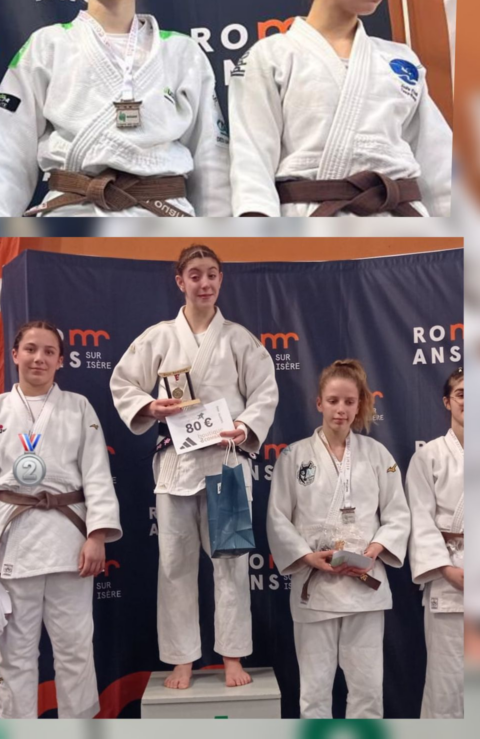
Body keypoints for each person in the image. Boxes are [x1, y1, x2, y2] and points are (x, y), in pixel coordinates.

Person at [0, 0, 229, 216]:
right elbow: (5, 147)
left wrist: (221, 229)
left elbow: (211, 154)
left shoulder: (182, 51)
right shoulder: (47, 45)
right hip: (73, 214)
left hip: (163, 215)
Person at [109, 244, 279, 689]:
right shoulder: (159, 337)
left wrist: (244, 426)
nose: (205, 283)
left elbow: (265, 393)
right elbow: (123, 382)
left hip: (227, 465)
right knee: (175, 565)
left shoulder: (239, 339)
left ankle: (232, 656)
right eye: (195, 275)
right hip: (176, 467)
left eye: (212, 274)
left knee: (232, 564)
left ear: (221, 279)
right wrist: (151, 406)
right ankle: (182, 658)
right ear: (180, 281)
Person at [228, 0, 451, 217]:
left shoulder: (401, 60)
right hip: (311, 219)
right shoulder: (271, 55)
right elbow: (251, 159)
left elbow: (437, 159)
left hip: (400, 219)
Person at [0, 321, 122, 718]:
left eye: (48, 351)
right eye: (30, 349)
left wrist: (97, 535)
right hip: (13, 542)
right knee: (14, 654)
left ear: (61, 360)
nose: (38, 358)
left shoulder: (78, 407)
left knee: (75, 649)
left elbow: (97, 474)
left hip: (70, 542)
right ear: (15, 355)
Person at [267, 359, 411, 719]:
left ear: (359, 405)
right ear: (319, 403)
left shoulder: (377, 455)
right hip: (315, 585)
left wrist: (374, 550)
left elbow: (397, 513)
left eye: (349, 401)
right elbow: (278, 518)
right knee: (314, 690)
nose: (340, 409)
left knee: (367, 687)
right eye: (333, 401)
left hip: (364, 584)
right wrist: (306, 557)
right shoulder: (293, 456)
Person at [406, 368, 464, 718]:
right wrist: (445, 568)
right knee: (447, 681)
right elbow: (419, 519)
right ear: (447, 402)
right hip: (449, 579)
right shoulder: (428, 456)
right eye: (461, 394)